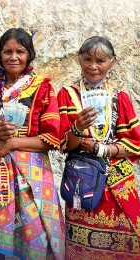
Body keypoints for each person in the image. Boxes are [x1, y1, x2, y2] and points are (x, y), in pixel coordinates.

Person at [0, 28, 65, 259]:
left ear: (29, 55)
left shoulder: (42, 87)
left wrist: (10, 143)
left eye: (20, 51)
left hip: (32, 173)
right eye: (7, 51)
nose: (13, 57)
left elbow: (51, 139)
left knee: (36, 229)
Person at [58, 36, 140, 259]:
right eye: (87, 59)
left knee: (127, 241)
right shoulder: (67, 95)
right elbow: (65, 145)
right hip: (82, 181)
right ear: (79, 60)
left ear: (112, 62)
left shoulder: (119, 97)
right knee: (81, 247)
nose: (93, 66)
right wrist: (77, 127)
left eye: (100, 60)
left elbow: (135, 144)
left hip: (117, 182)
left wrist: (102, 149)